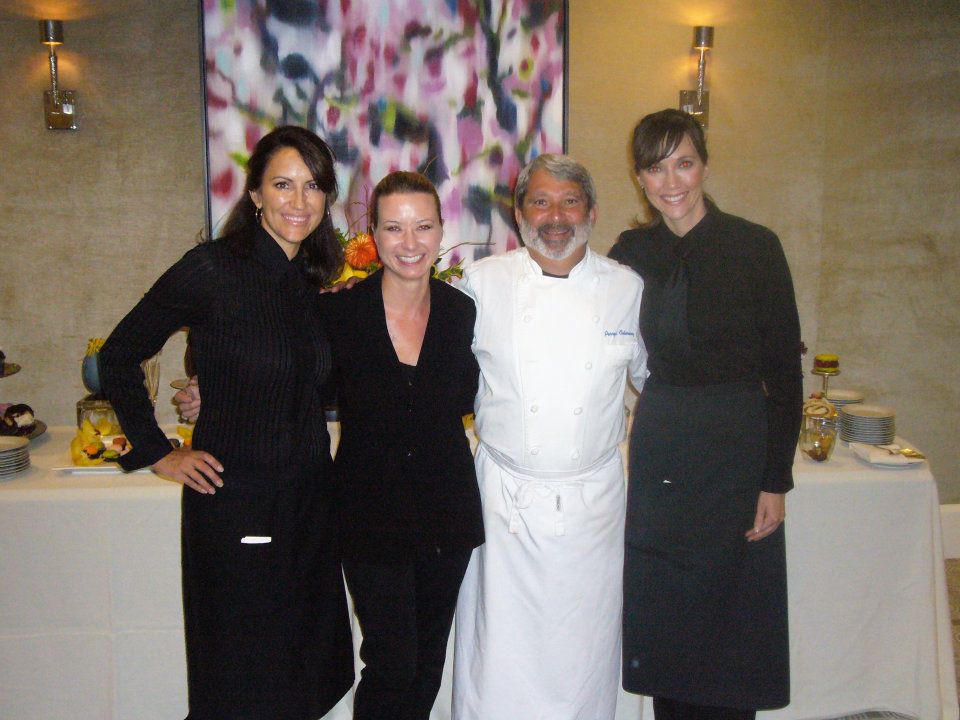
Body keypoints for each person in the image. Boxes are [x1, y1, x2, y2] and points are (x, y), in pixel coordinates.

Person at [178, 171, 484, 720]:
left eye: (422, 227)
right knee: (392, 662)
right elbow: (288, 377)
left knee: (427, 663)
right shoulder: (338, 312)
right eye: (393, 227)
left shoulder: (462, 313)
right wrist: (216, 391)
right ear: (374, 234)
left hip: (447, 511)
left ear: (441, 232)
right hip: (369, 514)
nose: (409, 242)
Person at [99, 126, 354, 719]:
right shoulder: (212, 268)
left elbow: (302, 383)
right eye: (283, 185)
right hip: (239, 504)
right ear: (256, 194)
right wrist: (159, 451)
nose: (299, 200)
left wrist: (215, 386)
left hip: (307, 504)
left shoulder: (307, 280)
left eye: (313, 186)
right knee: (243, 678)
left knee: (302, 672)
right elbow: (117, 356)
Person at [608, 109, 802, 720]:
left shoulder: (755, 246)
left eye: (684, 164)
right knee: (669, 612)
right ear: (640, 177)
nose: (671, 182)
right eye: (656, 168)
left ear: (705, 166)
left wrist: (775, 479)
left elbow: (785, 373)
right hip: (664, 443)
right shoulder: (630, 253)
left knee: (734, 614)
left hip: (737, 443)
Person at [451, 154, 648, 720]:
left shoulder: (626, 289)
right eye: (540, 202)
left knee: (584, 651)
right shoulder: (481, 284)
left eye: (570, 202)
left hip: (592, 507)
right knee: (497, 655)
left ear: (592, 211)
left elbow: (659, 382)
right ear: (519, 214)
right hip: (504, 505)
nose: (556, 217)